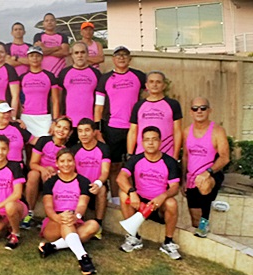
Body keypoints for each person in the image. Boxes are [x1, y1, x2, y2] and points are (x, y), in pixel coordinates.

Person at [117, 126, 182, 260]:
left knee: (172, 203)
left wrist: (163, 196)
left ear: (160, 142)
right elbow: (120, 178)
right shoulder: (135, 159)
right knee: (123, 194)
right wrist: (132, 192)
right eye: (147, 140)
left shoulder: (170, 162)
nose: (150, 143)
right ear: (142, 142)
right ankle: (134, 237)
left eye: (154, 139)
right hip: (139, 203)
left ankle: (168, 242)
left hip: (158, 204)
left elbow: (175, 187)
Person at [94, 46, 146, 205]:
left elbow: (148, 98)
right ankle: (115, 198)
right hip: (113, 128)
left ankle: (137, 195)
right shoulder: (105, 78)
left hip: (135, 128)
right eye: (118, 55)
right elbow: (99, 106)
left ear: (130, 59)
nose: (121, 58)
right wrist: (97, 129)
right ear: (113, 59)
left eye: (125, 55)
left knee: (136, 164)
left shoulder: (139, 76)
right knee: (114, 165)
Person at [38, 148, 99, 275]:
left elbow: (82, 204)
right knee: (66, 220)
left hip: (74, 219)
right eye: (62, 161)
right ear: (57, 163)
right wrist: (59, 218)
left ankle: (52, 246)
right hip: (54, 222)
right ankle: (83, 258)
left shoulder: (83, 181)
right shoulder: (50, 182)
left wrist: (76, 216)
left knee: (94, 225)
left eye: (69, 161)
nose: (66, 164)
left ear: (74, 162)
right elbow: (48, 207)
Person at [182, 98, 230, 238]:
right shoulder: (186, 132)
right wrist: (183, 179)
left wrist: (208, 172)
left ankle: (205, 222)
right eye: (195, 108)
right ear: (191, 112)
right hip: (192, 177)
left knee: (203, 183)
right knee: (195, 222)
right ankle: (202, 223)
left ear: (209, 110)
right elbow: (185, 156)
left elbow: (225, 158)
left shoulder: (218, 131)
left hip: (211, 174)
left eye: (203, 108)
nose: (199, 111)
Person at [22, 116, 72, 229]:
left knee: (54, 180)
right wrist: (43, 169)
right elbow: (33, 163)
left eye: (65, 128)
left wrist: (56, 172)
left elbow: (68, 168)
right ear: (53, 127)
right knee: (33, 174)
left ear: (70, 132)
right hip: (40, 173)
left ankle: (49, 216)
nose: (61, 130)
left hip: (57, 176)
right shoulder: (43, 141)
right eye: (59, 126)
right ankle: (28, 213)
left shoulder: (69, 148)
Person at [128, 71, 183, 159]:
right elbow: (133, 131)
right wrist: (130, 155)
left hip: (166, 153)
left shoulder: (173, 104)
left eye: (158, 82)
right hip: (142, 155)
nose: (155, 85)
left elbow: (177, 131)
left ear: (164, 85)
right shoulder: (138, 105)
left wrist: (175, 155)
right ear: (146, 85)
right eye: (151, 82)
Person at [71, 119, 110, 238]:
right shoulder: (74, 149)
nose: (83, 134)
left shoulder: (103, 148)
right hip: (80, 186)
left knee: (102, 189)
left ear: (94, 132)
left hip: (95, 184)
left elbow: (105, 171)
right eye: (80, 131)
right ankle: (78, 221)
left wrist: (98, 183)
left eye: (87, 130)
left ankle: (98, 224)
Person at [57, 42, 101, 146]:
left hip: (89, 124)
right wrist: (58, 119)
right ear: (72, 55)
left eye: (82, 52)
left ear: (87, 54)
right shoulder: (64, 73)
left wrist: (97, 124)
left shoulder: (96, 74)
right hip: (69, 124)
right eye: (76, 53)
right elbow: (58, 98)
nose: (80, 55)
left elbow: (100, 102)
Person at [18, 46, 60, 137]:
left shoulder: (50, 76)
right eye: (31, 56)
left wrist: (55, 121)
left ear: (42, 58)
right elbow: (17, 98)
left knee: (45, 143)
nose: (35, 58)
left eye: (37, 56)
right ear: (28, 58)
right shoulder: (22, 77)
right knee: (28, 144)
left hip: (44, 118)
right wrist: (18, 115)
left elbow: (55, 100)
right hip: (26, 117)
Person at [0, 101, 34, 169]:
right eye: (3, 112)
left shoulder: (17, 127)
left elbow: (34, 141)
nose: (7, 114)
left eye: (8, 112)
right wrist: (1, 169)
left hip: (18, 168)